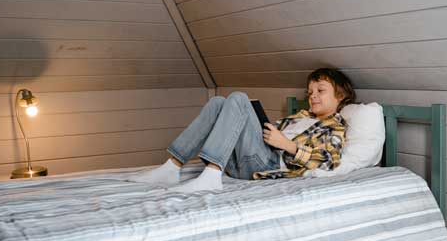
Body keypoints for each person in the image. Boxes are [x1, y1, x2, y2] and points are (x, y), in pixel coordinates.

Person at [134, 68, 355, 192]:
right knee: (218, 102)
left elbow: (328, 161)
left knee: (239, 98)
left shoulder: (335, 126)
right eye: (310, 92)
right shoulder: (301, 116)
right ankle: (172, 167)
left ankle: (211, 175)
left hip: (267, 166)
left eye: (320, 90)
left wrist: (286, 144)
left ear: (341, 96)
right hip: (244, 161)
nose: (312, 95)